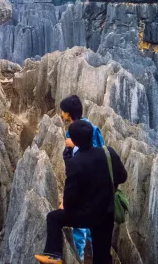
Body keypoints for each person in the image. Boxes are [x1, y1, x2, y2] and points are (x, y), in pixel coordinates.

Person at [35, 120, 128, 264]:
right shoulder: (108, 153)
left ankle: (54, 255)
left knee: (53, 218)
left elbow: (70, 198)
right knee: (102, 255)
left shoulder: (75, 163)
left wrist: (65, 206)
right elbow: (123, 177)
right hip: (107, 213)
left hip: (85, 215)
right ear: (91, 135)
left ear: (74, 141)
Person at [60, 95, 105, 261]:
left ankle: (78, 258)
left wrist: (73, 146)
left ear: (68, 114)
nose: (61, 114)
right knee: (94, 226)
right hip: (98, 186)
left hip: (83, 185)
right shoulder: (92, 127)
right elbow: (102, 150)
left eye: (63, 111)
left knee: (79, 226)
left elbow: (80, 160)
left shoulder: (73, 133)